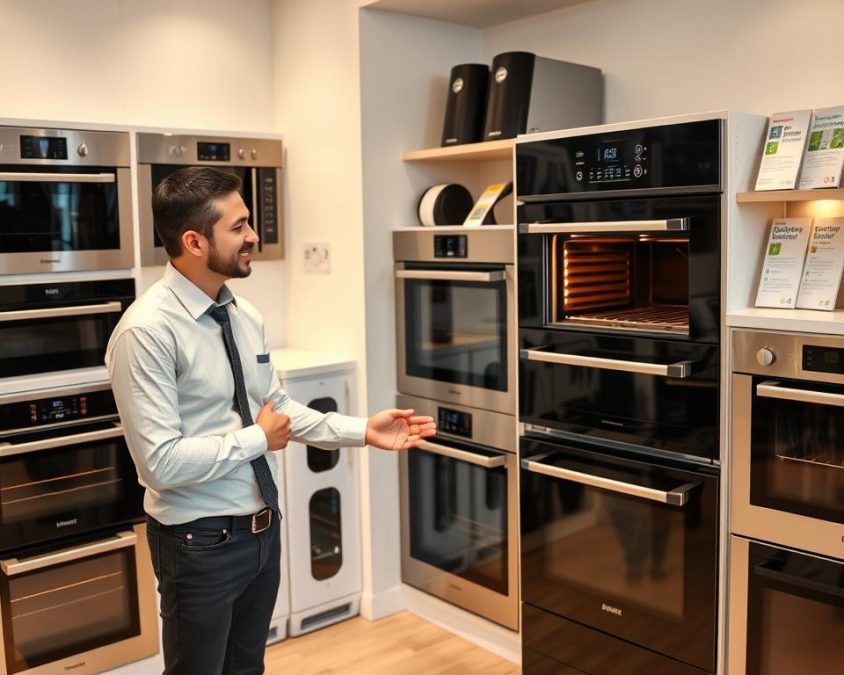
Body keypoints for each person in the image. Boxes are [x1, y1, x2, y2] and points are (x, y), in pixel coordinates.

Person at [105, 166, 436, 675]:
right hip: (198, 543)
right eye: (238, 227)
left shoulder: (244, 314)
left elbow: (276, 407)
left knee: (247, 670)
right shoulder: (145, 333)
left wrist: (360, 430)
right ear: (194, 241)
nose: (253, 236)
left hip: (262, 532)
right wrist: (256, 439)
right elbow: (159, 465)